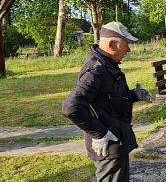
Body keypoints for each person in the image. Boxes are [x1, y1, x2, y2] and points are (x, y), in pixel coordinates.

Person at [62, 22, 152, 182]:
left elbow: (108, 99)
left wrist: (134, 95)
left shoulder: (107, 65)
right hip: (108, 147)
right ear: (111, 43)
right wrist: (100, 133)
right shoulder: (96, 70)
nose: (129, 50)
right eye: (126, 44)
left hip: (116, 142)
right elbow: (71, 108)